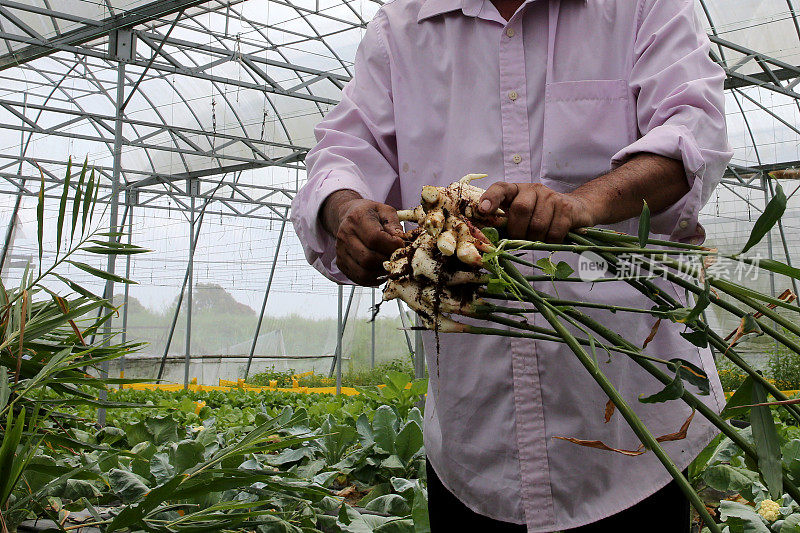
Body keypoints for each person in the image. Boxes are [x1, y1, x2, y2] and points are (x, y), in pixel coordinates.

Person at [291, 0, 733, 530]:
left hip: (634, 441)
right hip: (475, 444)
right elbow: (342, 150)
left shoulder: (643, 5)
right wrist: (347, 209)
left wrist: (582, 203)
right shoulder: (401, 27)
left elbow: (693, 133)